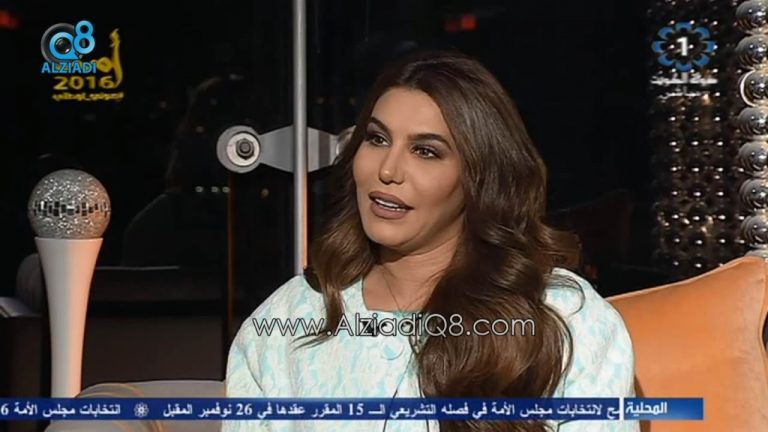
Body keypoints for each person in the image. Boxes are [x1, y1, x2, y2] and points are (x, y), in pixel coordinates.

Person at [224, 51, 638, 432]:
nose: (388, 170)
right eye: (377, 139)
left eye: (425, 151)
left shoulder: (564, 318)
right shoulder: (286, 320)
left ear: (479, 179)